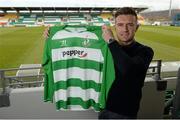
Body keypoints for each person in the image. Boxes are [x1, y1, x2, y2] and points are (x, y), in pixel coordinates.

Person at [99, 7, 154, 119]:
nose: (125, 29)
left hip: (125, 113)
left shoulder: (145, 51)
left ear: (136, 27)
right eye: (120, 25)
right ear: (115, 27)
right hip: (103, 108)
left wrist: (111, 41)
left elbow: (127, 68)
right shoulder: (107, 49)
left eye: (130, 24)